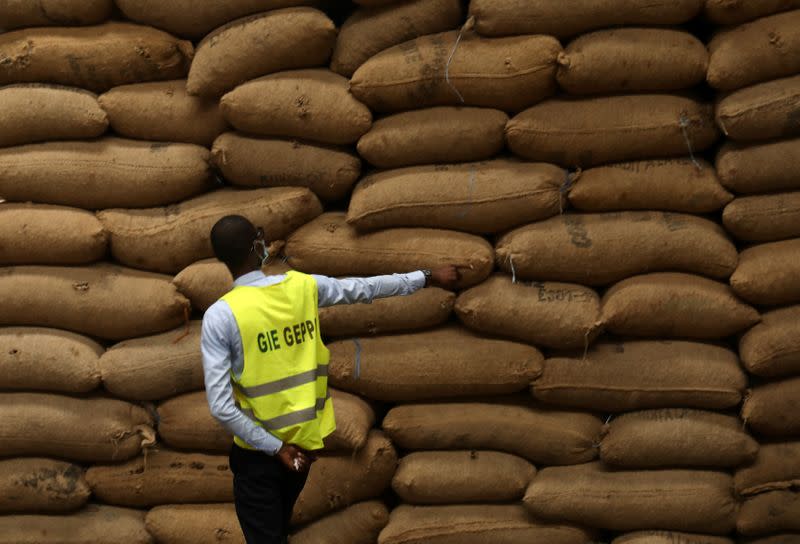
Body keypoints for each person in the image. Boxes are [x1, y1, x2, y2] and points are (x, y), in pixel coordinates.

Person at [200, 215, 458, 544]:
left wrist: (277, 448)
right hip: (302, 451)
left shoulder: (221, 316)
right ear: (257, 245)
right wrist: (426, 276)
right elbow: (366, 289)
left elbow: (221, 407)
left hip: (264, 456)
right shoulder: (303, 287)